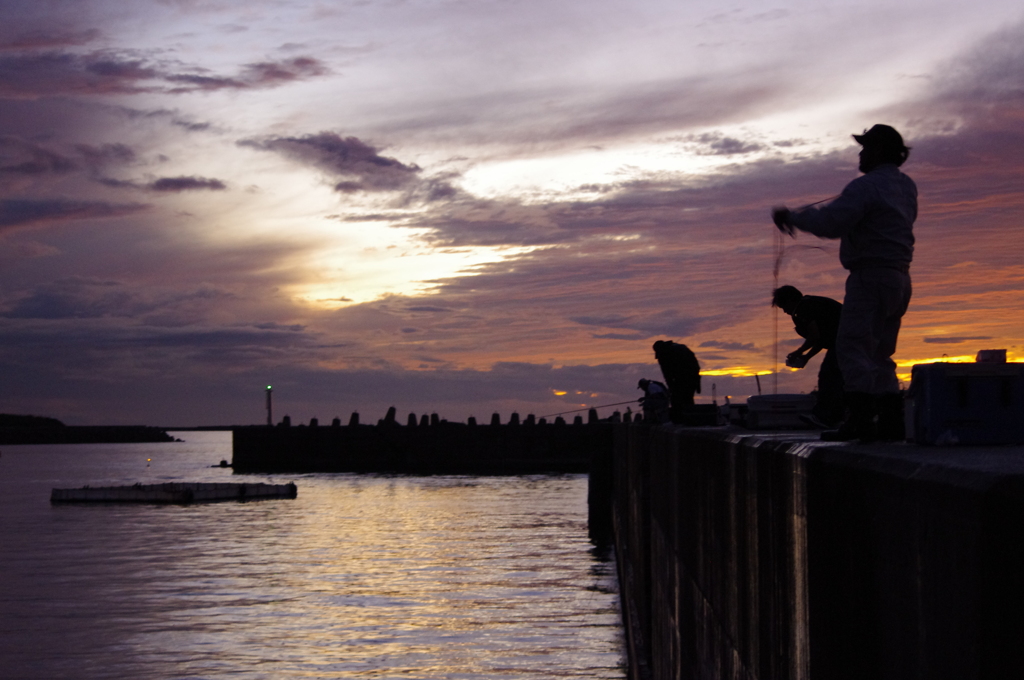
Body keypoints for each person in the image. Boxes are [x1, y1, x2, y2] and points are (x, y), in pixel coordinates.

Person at [772, 124, 916, 441]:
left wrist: (792, 217)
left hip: (870, 277)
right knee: (881, 353)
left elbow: (831, 222)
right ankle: (891, 422)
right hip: (900, 278)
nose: (861, 154)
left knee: (852, 348)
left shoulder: (865, 187)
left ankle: (861, 421)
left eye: (865, 148)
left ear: (878, 150)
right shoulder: (906, 187)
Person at [772, 285, 844, 426]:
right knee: (836, 377)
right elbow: (822, 339)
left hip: (847, 339)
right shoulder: (812, 304)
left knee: (829, 376)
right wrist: (806, 357)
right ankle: (836, 416)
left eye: (784, 306)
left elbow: (814, 337)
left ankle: (827, 416)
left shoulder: (804, 308)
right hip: (845, 340)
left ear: (792, 300)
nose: (785, 311)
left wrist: (799, 352)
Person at [652, 340, 701, 423]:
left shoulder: (665, 354)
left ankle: (679, 420)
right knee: (688, 399)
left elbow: (667, 374)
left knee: (677, 399)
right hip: (692, 377)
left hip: (683, 378)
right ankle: (690, 420)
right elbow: (696, 366)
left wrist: (671, 387)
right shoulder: (681, 347)